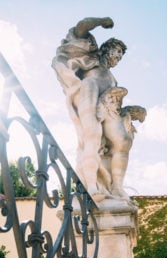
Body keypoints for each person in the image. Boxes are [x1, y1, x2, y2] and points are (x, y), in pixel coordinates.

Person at [52, 17, 145, 200]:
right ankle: (91, 186)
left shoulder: (112, 78)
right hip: (89, 91)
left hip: (106, 105)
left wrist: (131, 111)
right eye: (116, 52)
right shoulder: (91, 56)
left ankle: (117, 187)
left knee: (123, 142)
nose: (118, 57)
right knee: (92, 137)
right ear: (105, 49)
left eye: (120, 55)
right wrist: (101, 21)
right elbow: (80, 28)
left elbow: (115, 105)